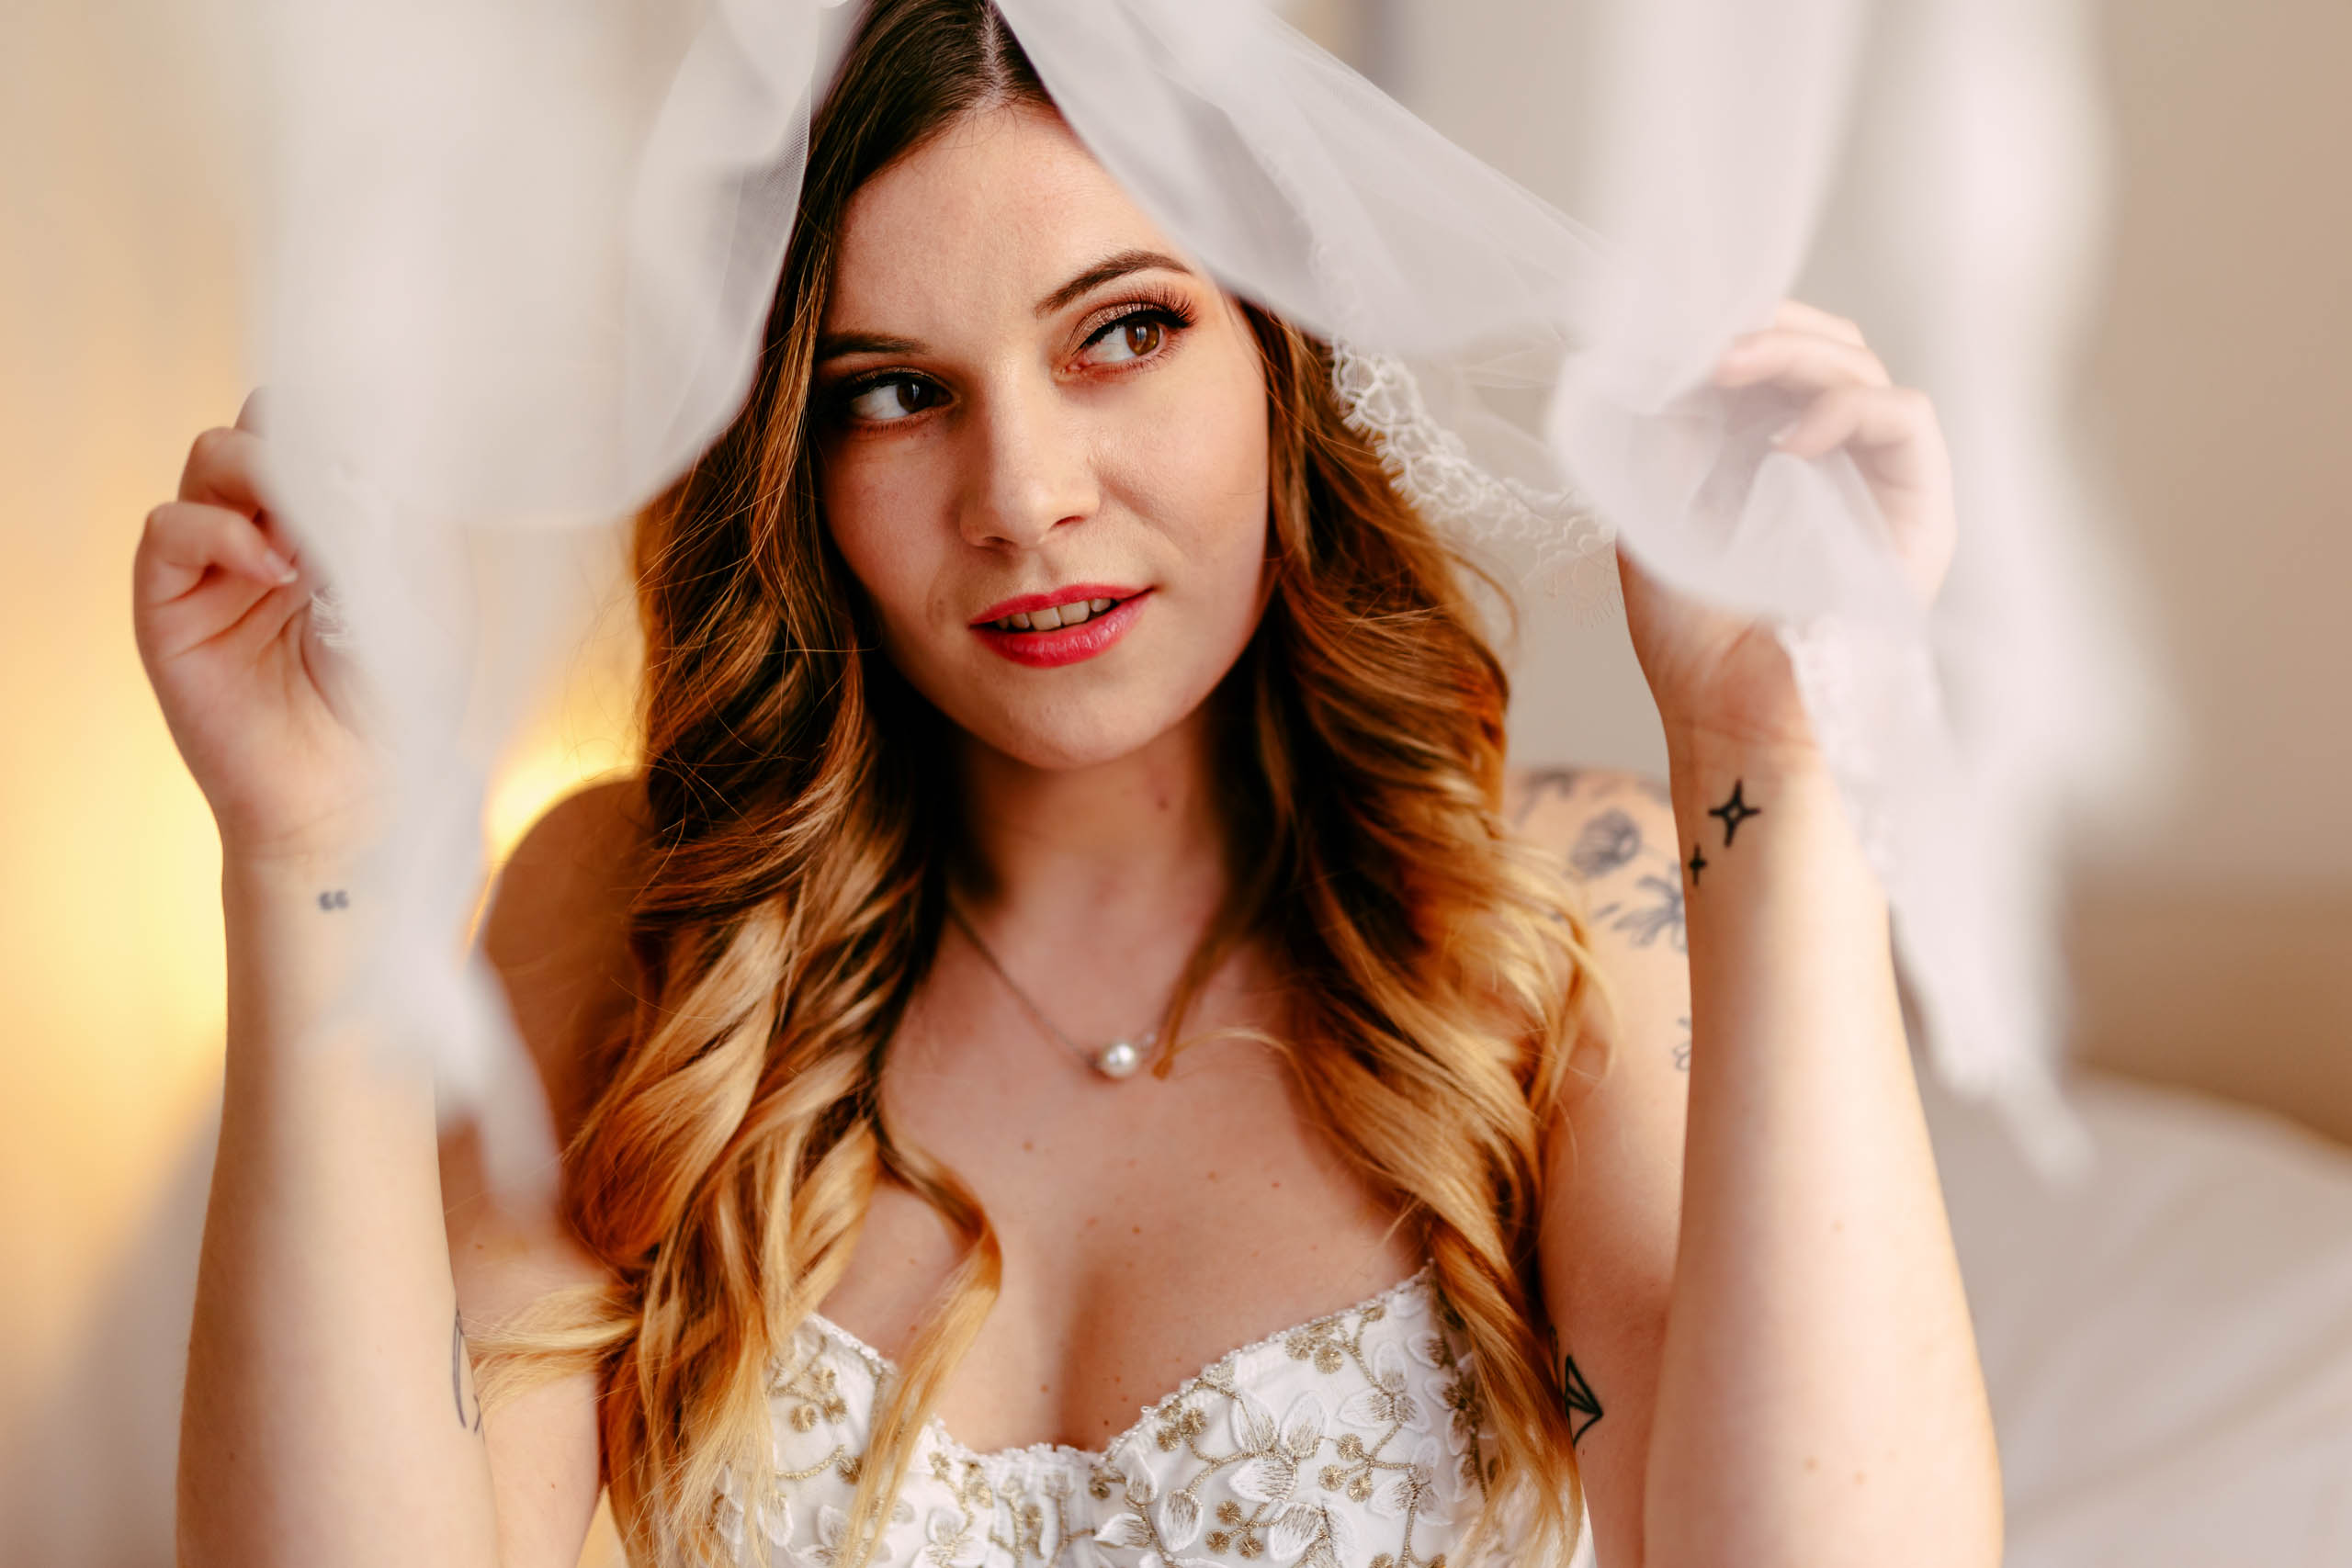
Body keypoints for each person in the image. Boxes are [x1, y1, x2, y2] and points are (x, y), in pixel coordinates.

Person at [137, 2, 2000, 1563]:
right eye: (890, 388)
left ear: (1287, 358)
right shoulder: (632, 924)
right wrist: (307, 856)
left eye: (1121, 329)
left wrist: (1770, 754)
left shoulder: (1565, 912)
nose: (1020, 494)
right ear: (793, 461)